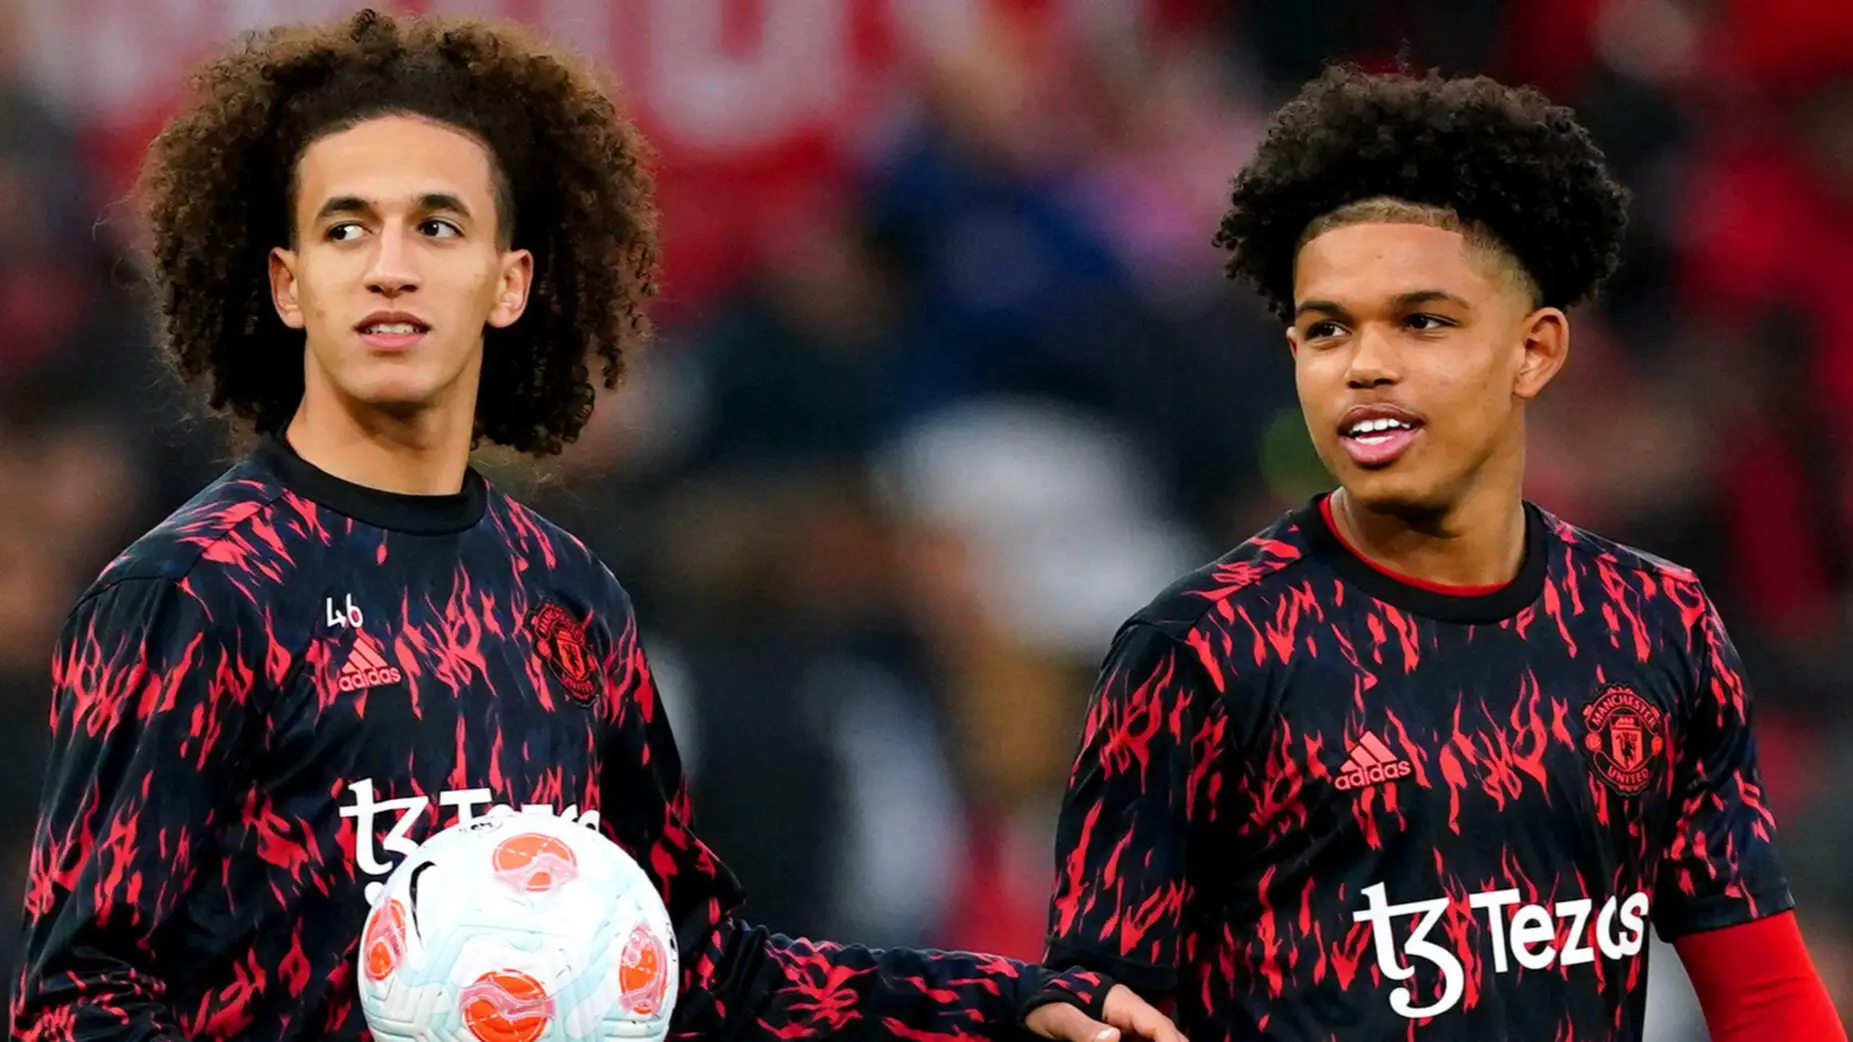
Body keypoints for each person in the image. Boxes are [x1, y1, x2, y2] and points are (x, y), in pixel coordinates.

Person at [8, 11, 1186, 1042]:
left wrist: (998, 1000)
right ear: (284, 283)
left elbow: (699, 966)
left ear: (510, 283)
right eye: (345, 228)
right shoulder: (191, 592)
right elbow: (79, 997)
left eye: (437, 226)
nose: (390, 269)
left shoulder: (564, 593)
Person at [1039, 66, 1846, 1041]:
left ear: (1533, 351)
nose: (1365, 364)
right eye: (1325, 327)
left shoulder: (1654, 621)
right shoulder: (1198, 653)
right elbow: (1098, 1016)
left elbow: (1760, 993)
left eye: (1422, 320)